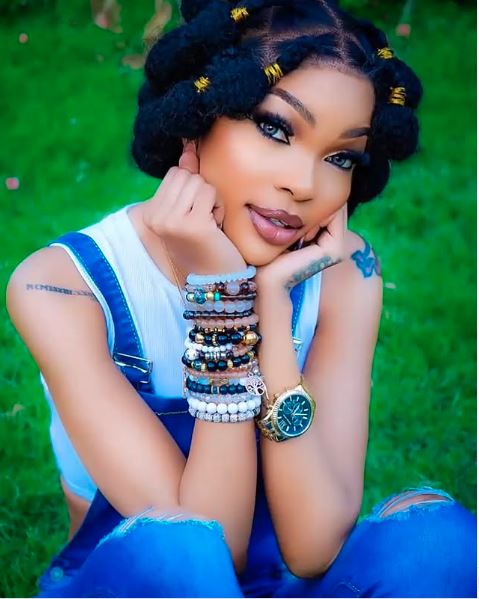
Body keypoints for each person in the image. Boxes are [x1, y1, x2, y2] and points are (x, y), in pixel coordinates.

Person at [6, 1, 476, 597]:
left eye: (340, 157)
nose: (304, 184)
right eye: (276, 129)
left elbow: (313, 547)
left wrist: (273, 318)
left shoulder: (344, 274)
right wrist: (220, 300)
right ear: (196, 118)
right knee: (177, 553)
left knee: (438, 545)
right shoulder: (63, 286)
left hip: (284, 580)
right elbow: (205, 548)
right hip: (147, 582)